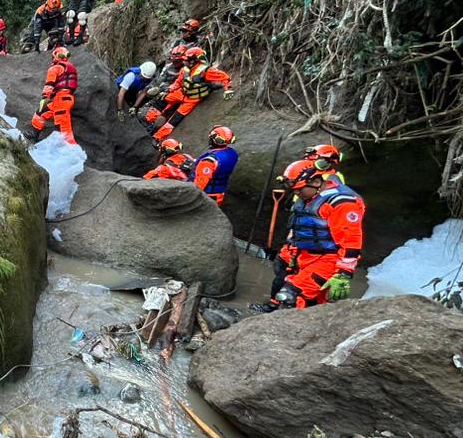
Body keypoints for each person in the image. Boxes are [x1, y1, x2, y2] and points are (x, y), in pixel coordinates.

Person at [253, 165, 364, 312]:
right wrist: (289, 253)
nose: (297, 193)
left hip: (327, 259)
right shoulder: (308, 198)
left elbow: (351, 240)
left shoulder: (342, 203)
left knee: (290, 296)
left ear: (316, 182)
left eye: (299, 189)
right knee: (284, 283)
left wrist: (344, 273)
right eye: (294, 190)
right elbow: (300, 229)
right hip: (303, 254)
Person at [148, 46, 234, 142]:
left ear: (193, 61)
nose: (183, 61)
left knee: (175, 119)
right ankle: (149, 120)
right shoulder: (184, 70)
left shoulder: (206, 71)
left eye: (186, 60)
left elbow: (224, 77)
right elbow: (178, 82)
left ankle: (157, 137)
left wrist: (227, 89)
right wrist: (169, 89)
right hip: (181, 92)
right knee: (162, 99)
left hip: (192, 99)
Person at [32, 46, 78, 143]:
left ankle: (70, 152)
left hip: (61, 99)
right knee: (40, 114)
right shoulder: (70, 67)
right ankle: (34, 135)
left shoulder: (54, 68)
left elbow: (49, 84)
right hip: (63, 99)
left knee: (63, 129)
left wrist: (44, 97)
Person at [192, 126, 239, 206]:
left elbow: (199, 185)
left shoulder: (208, 161)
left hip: (206, 196)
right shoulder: (232, 153)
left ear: (213, 140)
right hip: (219, 195)